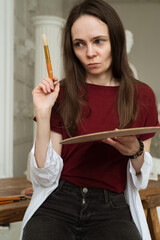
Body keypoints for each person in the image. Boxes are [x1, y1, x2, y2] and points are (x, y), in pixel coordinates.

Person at [21, 0, 159, 239]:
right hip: (59, 202)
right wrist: (43, 114)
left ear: (115, 40)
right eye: (79, 44)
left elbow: (141, 179)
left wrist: (135, 151)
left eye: (98, 41)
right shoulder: (61, 92)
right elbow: (44, 175)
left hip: (112, 208)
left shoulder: (141, 94)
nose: (90, 53)